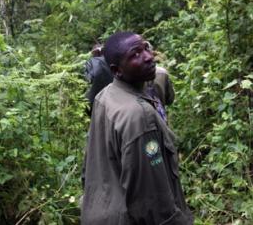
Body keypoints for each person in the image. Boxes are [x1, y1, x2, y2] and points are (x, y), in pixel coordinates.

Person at [81, 31, 193, 224]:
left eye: (146, 48)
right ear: (117, 70)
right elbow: (151, 202)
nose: (149, 57)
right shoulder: (139, 116)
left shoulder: (105, 96)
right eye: (135, 55)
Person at [84, 44, 113, 115]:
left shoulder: (90, 62)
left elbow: (89, 79)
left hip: (97, 97)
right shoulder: (111, 60)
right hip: (114, 95)